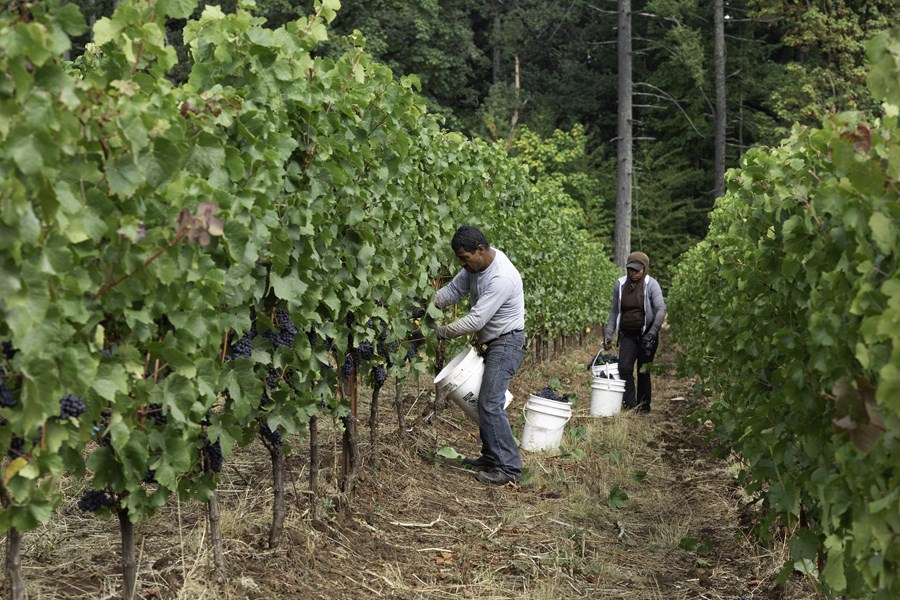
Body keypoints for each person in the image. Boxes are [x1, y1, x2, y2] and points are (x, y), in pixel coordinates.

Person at [433, 226, 527, 485]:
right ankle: (490, 457)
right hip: (492, 343)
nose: (463, 264)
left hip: (507, 343)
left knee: (489, 402)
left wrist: (439, 332)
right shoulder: (474, 267)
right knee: (482, 400)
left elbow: (476, 320)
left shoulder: (502, 278)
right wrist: (426, 306)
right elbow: (452, 292)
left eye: (465, 258)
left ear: (480, 250)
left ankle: (509, 469)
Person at [603, 251, 666, 413]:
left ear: (645, 269)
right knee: (624, 368)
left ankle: (644, 407)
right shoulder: (620, 284)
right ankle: (630, 406)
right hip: (628, 334)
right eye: (630, 269)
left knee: (643, 371)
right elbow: (614, 311)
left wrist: (652, 332)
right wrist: (608, 334)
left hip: (647, 334)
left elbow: (660, 309)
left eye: (637, 270)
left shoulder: (651, 284)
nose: (633, 273)